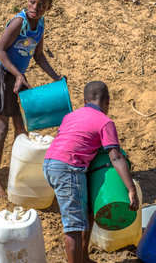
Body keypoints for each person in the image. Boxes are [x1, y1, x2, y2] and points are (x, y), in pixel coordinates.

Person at [43, 81, 139, 263]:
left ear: (84, 100)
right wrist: (130, 188)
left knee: (86, 212)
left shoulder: (70, 116)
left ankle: (83, 257)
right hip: (68, 168)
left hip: (50, 163)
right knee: (74, 227)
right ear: (107, 101)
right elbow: (116, 157)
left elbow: (70, 140)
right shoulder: (105, 122)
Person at [0, 0, 62, 197]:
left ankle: (21, 172)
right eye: (32, 2)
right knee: (1, 129)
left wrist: (56, 78)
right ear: (27, 1)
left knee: (20, 128)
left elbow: (39, 55)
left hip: (15, 78)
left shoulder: (40, 25)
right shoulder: (20, 22)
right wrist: (18, 75)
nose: (35, 7)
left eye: (41, 5)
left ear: (48, 8)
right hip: (0, 75)